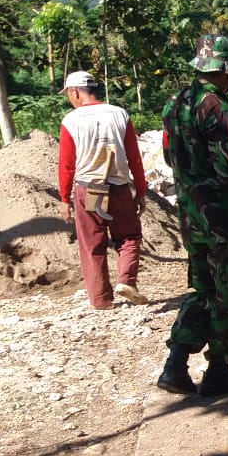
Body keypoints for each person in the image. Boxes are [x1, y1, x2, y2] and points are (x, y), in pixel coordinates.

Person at [156, 35, 228, 399]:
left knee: (204, 291)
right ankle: (219, 370)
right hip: (226, 220)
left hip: (193, 219)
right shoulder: (217, 110)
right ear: (224, 70)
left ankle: (176, 365)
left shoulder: (176, 104)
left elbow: (169, 158)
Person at [57, 70, 148, 310]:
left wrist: (64, 198)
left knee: (93, 243)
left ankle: (101, 300)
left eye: (68, 94)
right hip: (118, 187)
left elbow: (66, 164)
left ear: (75, 92)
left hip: (89, 188)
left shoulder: (71, 120)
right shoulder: (119, 114)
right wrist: (140, 190)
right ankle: (126, 281)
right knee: (128, 236)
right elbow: (134, 157)